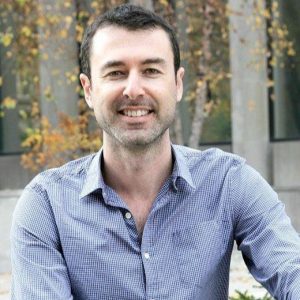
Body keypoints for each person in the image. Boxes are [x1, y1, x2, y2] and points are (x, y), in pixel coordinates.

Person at [10, 4, 300, 300]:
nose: (133, 89)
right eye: (115, 72)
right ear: (88, 89)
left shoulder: (230, 182)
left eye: (151, 70)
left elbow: (292, 271)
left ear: (177, 84)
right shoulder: (46, 205)